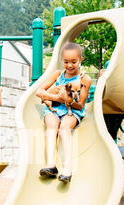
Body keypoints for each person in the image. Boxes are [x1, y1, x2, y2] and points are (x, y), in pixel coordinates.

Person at [36, 42, 92, 183]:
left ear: (80, 60)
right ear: (62, 60)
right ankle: (51, 165)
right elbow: (39, 91)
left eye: (74, 62)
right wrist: (57, 98)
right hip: (55, 107)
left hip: (72, 110)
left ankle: (67, 169)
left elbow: (80, 106)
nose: (69, 65)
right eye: (66, 62)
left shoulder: (84, 79)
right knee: (51, 125)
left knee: (64, 128)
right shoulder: (57, 75)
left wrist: (68, 101)